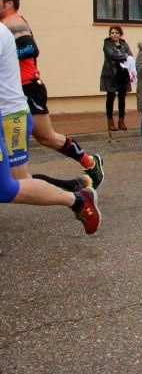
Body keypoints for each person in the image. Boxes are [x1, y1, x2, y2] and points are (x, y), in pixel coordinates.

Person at [0, 21, 100, 234]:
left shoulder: (14, 23)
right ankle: (76, 186)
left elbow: (31, 48)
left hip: (13, 112)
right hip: (14, 107)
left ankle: (80, 187)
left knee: (17, 180)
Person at [0, 0, 105, 189]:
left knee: (46, 137)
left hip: (27, 88)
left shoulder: (14, 21)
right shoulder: (5, 24)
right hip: (17, 90)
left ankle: (89, 166)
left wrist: (6, 56)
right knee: (43, 138)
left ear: (9, 3)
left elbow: (31, 48)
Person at [100, 25, 133, 131]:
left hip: (122, 74)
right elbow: (111, 55)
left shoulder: (124, 44)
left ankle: (121, 121)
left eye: (116, 33)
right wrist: (124, 56)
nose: (114, 34)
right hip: (110, 74)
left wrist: (124, 56)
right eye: (112, 33)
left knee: (122, 98)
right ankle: (110, 122)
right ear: (110, 34)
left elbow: (130, 56)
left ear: (120, 34)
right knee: (110, 98)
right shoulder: (107, 44)